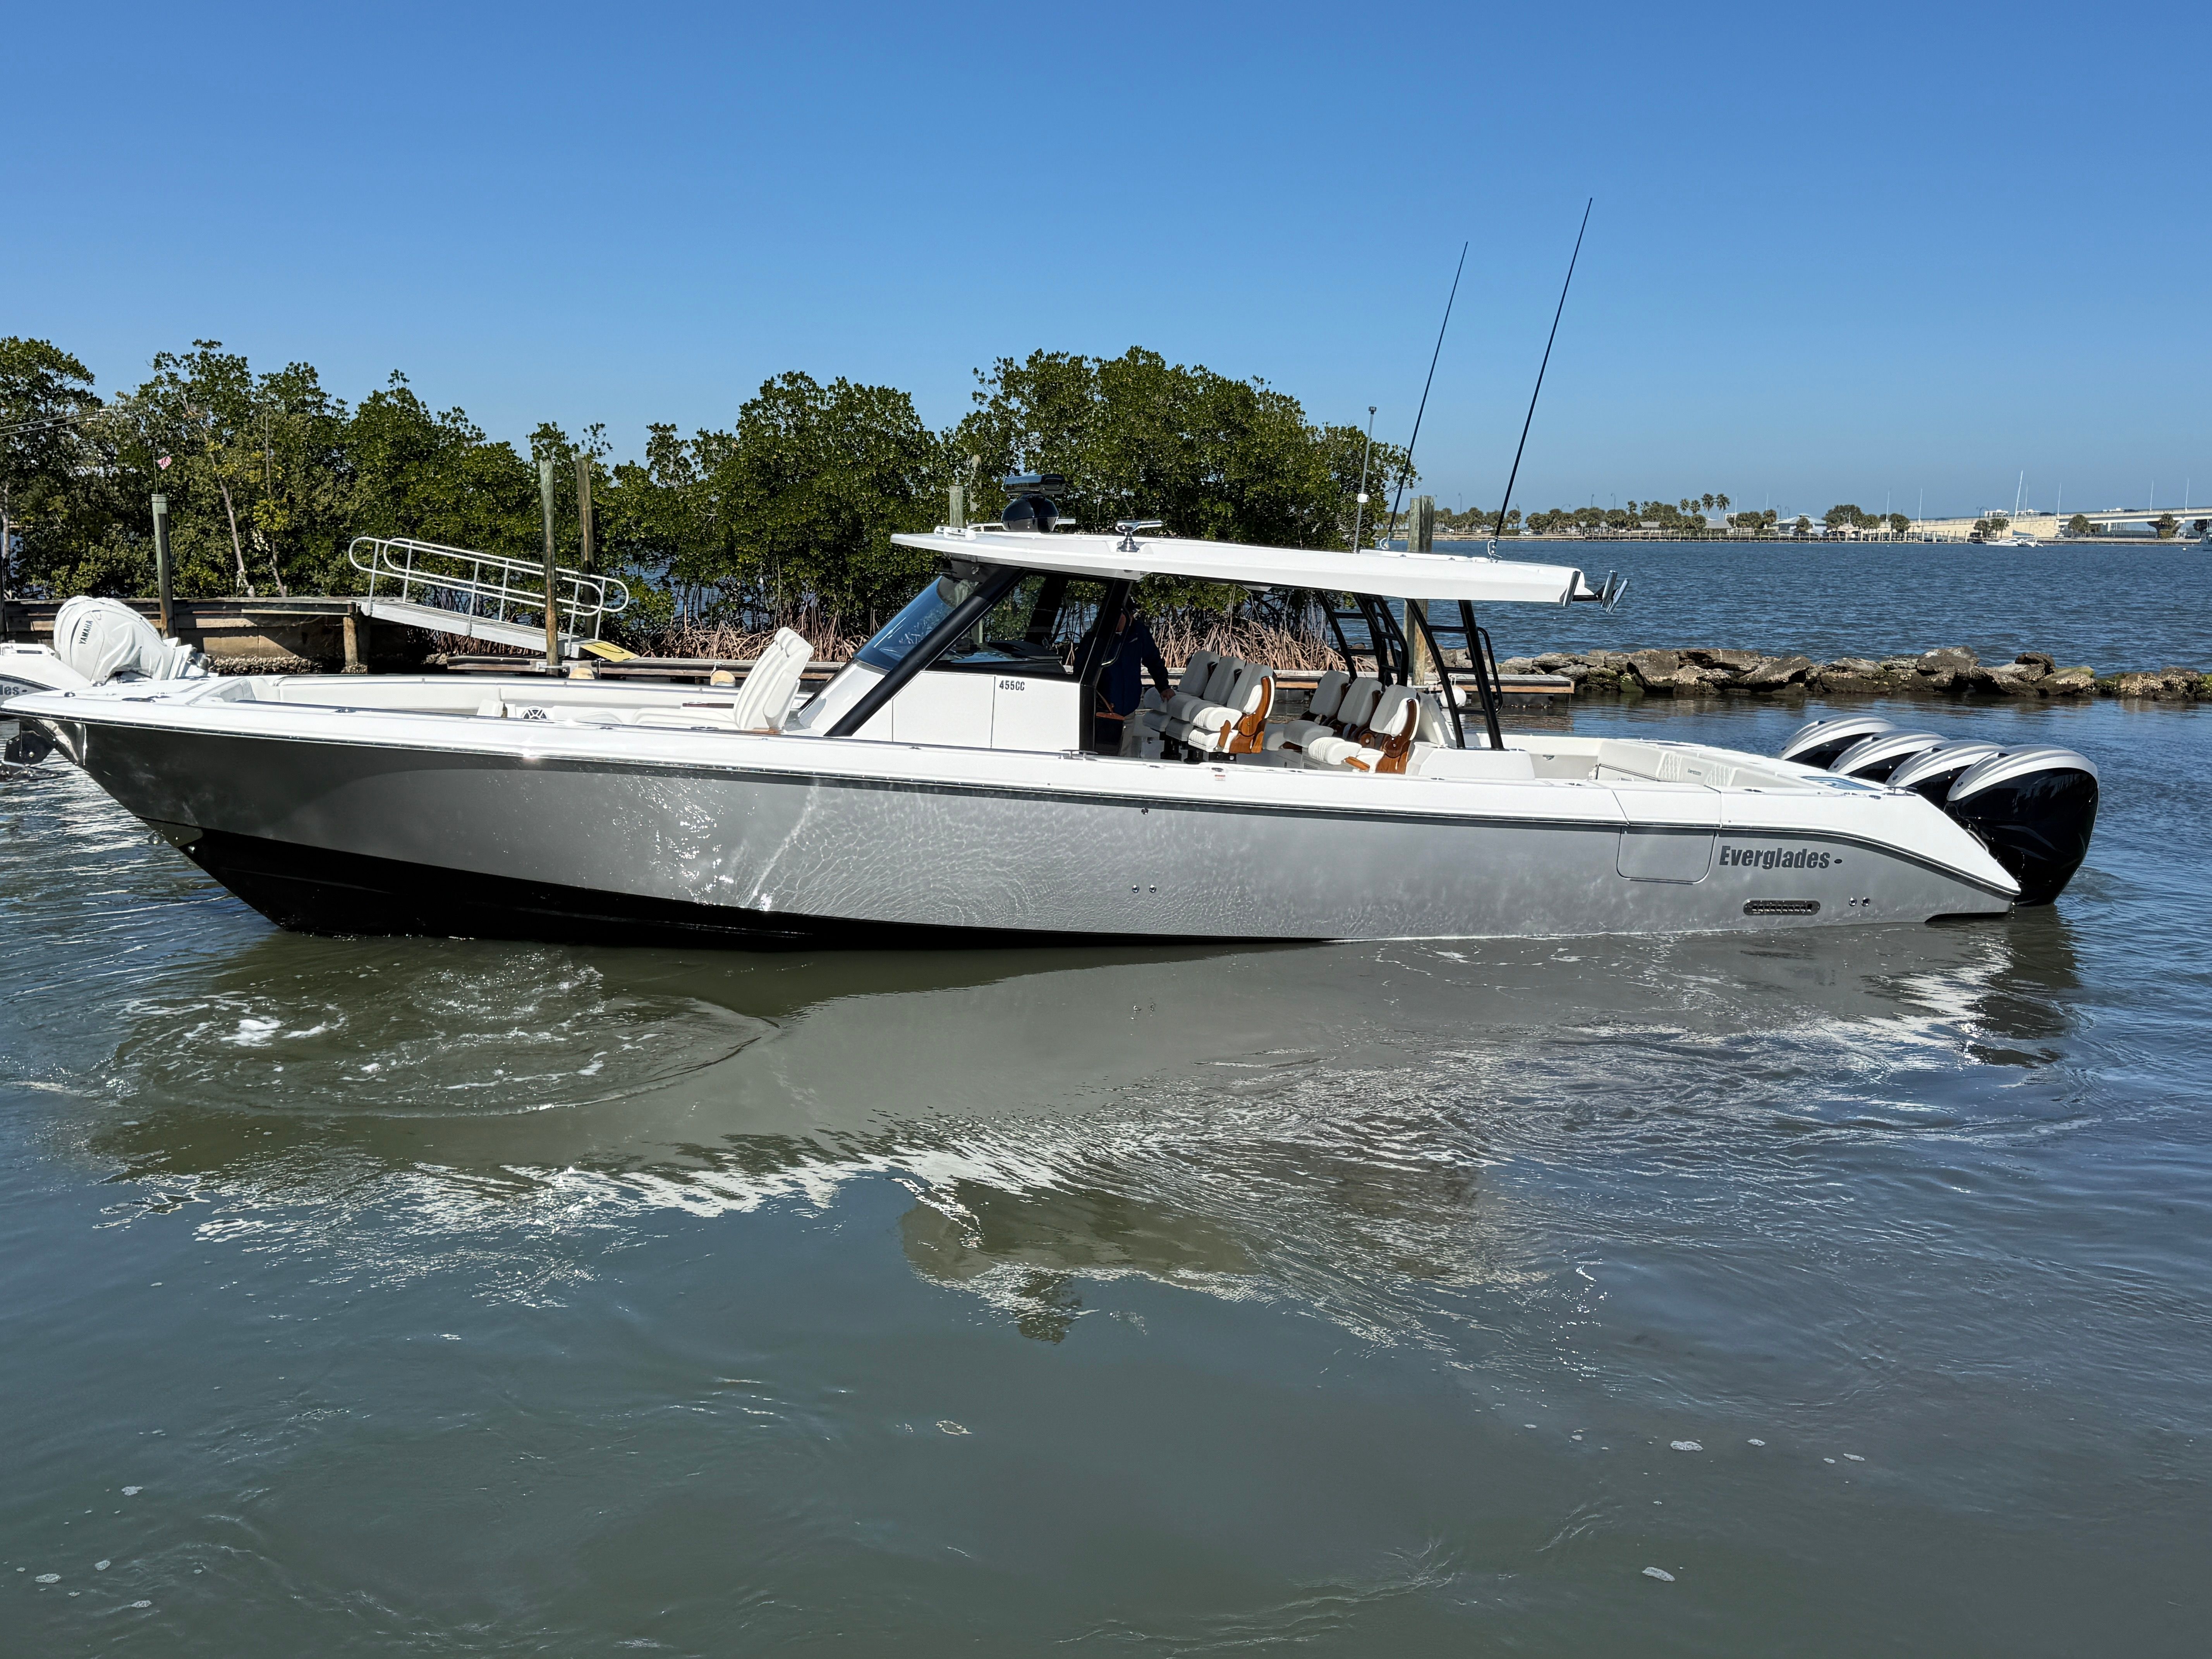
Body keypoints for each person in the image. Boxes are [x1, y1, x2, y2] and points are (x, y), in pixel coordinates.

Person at [1096, 597, 1173, 748]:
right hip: (1101, 710)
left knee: (1123, 753)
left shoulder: (1139, 632)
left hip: (1129, 708)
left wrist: (1164, 686)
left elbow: (1153, 659)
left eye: (1122, 615)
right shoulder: (1098, 636)